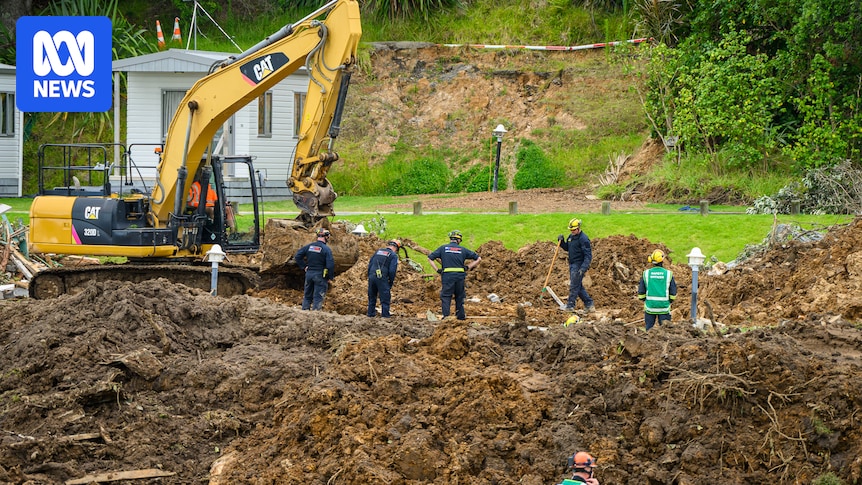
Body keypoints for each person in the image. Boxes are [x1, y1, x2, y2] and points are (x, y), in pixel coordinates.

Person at [427, 230, 481, 320]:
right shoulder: (463, 249)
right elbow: (478, 259)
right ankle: (460, 317)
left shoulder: (443, 248)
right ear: (459, 240)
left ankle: (446, 317)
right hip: (460, 276)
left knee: (446, 296)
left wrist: (437, 270)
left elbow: (430, 258)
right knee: (459, 296)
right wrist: (468, 267)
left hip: (447, 276)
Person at [558, 218, 595, 313]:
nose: (572, 231)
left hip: (579, 264)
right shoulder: (571, 237)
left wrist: (583, 268)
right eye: (571, 230)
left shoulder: (583, 239)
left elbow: (588, 255)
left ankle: (570, 305)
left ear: (578, 228)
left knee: (574, 286)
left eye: (574, 230)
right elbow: (568, 248)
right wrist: (561, 242)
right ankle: (589, 304)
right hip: (572, 264)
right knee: (578, 286)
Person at [294, 228, 335, 311]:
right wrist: (330, 277)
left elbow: (297, 256)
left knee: (307, 296)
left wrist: (304, 266)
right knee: (318, 297)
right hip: (320, 276)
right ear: (326, 237)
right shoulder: (326, 249)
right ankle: (315, 314)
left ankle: (304, 312)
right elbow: (330, 265)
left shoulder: (309, 247)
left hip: (309, 274)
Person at [637, 249, 678, 330]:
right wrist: (670, 300)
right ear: (662, 260)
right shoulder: (668, 274)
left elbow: (641, 292)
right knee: (665, 330)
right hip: (664, 308)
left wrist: (644, 299)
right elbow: (673, 292)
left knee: (649, 329)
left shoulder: (646, 273)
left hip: (650, 307)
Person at [367, 239, 401, 318]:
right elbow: (392, 270)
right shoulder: (393, 255)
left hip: (372, 275)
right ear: (396, 248)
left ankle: (370, 314)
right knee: (385, 298)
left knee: (372, 297)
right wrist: (390, 282)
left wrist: (369, 276)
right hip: (382, 277)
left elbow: (370, 264)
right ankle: (385, 316)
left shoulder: (378, 251)